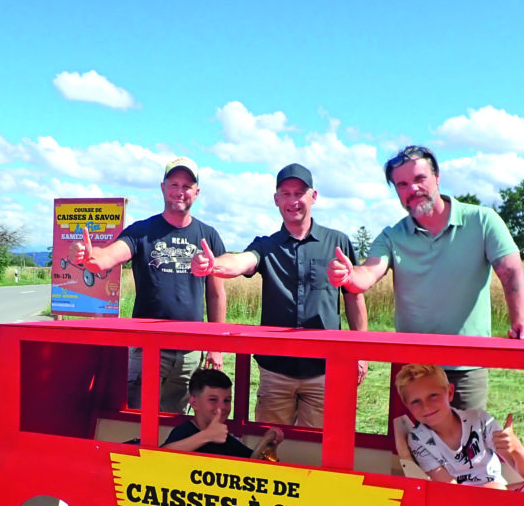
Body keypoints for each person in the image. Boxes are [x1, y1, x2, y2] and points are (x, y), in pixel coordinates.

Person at [327, 145, 524, 410]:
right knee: (410, 447)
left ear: (437, 177)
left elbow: (510, 273)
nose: (412, 189)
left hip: (466, 366)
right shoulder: (393, 236)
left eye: (420, 179)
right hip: (411, 368)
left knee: (467, 446)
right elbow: (369, 272)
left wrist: (522, 323)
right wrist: (348, 276)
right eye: (402, 184)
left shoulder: (482, 221)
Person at [190, 163, 367, 426]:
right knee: (270, 445)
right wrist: (213, 264)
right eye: (285, 194)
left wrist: (360, 352)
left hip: (324, 369)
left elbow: (354, 296)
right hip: (276, 371)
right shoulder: (266, 245)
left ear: (314, 197)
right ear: (276, 200)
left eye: (299, 193)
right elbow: (241, 262)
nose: (293, 201)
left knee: (317, 447)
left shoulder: (337, 243)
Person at [72, 156, 227, 413]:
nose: (180, 191)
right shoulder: (141, 231)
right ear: (163, 187)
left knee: (177, 422)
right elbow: (107, 257)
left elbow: (216, 294)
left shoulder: (207, 235)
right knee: (138, 419)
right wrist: (88, 256)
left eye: (186, 186)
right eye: (174, 184)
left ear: (196, 192)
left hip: (190, 352)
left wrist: (216, 346)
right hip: (148, 349)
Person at [395, 364, 524, 495]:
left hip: (499, 492)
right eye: (416, 401)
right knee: (495, 491)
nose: (426, 406)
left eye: (433, 395)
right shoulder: (418, 440)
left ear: (450, 393)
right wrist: (491, 492)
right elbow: (450, 491)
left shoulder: (480, 420)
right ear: (407, 406)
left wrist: (514, 447)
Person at [163, 368, 283, 459]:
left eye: (227, 401)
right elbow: (160, 456)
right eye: (213, 400)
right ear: (194, 403)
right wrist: (207, 435)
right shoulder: (185, 431)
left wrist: (269, 448)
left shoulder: (226, 441)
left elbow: (252, 463)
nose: (222, 407)